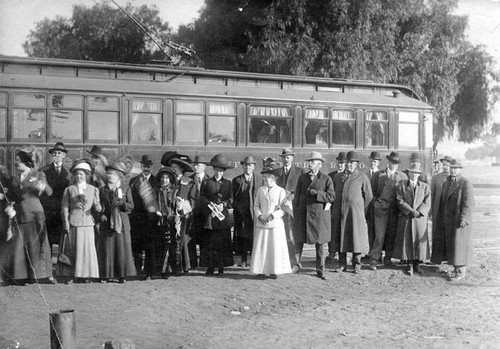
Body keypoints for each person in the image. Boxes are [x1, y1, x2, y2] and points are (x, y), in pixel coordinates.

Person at [6, 148, 56, 284]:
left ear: (26, 162)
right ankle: (20, 276)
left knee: (37, 245)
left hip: (35, 215)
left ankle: (40, 275)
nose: (16, 163)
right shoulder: (14, 178)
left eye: (18, 161)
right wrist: (10, 207)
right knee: (19, 245)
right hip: (20, 214)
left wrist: (43, 186)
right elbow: (10, 196)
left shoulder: (39, 175)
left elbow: (49, 192)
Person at [293, 151, 335, 280]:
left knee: (320, 243)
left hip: (318, 216)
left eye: (312, 161)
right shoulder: (303, 177)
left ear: (319, 164)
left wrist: (316, 193)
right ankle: (296, 265)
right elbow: (297, 196)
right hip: (303, 215)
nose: (310, 164)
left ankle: (320, 269)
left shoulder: (326, 178)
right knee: (299, 240)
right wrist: (296, 210)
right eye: (309, 162)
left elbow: (331, 196)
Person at [431, 159, 474, 281]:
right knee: (453, 246)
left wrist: (464, 218)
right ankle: (455, 270)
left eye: (456, 168)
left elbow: (469, 203)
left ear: (460, 169)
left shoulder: (465, 183)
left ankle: (460, 272)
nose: (453, 170)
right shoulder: (447, 182)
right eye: (451, 168)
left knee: (459, 245)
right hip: (448, 220)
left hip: (459, 220)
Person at [331, 151, 373, 274]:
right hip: (339, 213)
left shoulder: (362, 177)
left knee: (356, 239)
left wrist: (360, 209)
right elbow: (332, 194)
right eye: (347, 162)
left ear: (356, 164)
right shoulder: (338, 177)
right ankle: (342, 264)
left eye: (352, 163)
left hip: (355, 215)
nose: (349, 165)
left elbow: (369, 196)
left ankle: (356, 264)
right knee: (340, 238)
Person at [60, 159, 102, 283]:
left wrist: (99, 208)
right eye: (77, 174)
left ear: (86, 176)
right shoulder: (69, 189)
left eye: (82, 174)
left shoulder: (93, 189)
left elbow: (97, 205)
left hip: (88, 223)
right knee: (73, 249)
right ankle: (72, 275)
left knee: (86, 250)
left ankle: (86, 275)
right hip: (74, 222)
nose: (79, 176)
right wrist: (66, 223)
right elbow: (64, 207)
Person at [250, 163, 291, 279]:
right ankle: (261, 270)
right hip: (262, 224)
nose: (264, 179)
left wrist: (273, 216)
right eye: (263, 177)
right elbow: (256, 205)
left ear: (273, 178)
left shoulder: (281, 191)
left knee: (274, 248)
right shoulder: (260, 190)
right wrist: (259, 216)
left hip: (275, 225)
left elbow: (284, 209)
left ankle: (274, 270)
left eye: (266, 177)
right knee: (262, 248)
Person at [368, 151, 408, 270]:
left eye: (396, 163)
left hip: (395, 211)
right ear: (388, 162)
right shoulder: (378, 175)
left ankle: (387, 260)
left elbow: (405, 194)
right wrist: (376, 203)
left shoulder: (403, 176)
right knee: (379, 236)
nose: (393, 164)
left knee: (391, 235)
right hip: (380, 210)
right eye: (392, 162)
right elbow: (372, 192)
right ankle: (374, 260)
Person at [97, 162, 136, 283]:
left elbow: (131, 206)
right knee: (107, 249)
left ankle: (121, 276)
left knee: (122, 249)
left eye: (112, 173)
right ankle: (106, 275)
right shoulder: (103, 190)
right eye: (108, 173)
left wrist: (122, 204)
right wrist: (101, 215)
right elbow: (100, 206)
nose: (109, 176)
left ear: (119, 175)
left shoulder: (125, 188)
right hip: (108, 223)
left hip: (122, 224)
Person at [393, 164, 431, 276]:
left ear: (419, 175)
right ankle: (409, 264)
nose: (414, 175)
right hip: (407, 217)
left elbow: (427, 201)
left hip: (419, 218)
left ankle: (417, 264)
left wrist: (419, 212)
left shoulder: (425, 187)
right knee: (407, 239)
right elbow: (400, 200)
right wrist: (410, 211)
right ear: (408, 173)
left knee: (418, 240)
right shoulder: (402, 186)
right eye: (412, 173)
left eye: (417, 173)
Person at [199, 154, 234, 276]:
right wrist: (210, 204)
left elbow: (230, 198)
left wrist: (223, 204)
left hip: (222, 216)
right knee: (210, 241)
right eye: (217, 170)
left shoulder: (228, 183)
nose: (219, 172)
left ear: (224, 171)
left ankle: (221, 267)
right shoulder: (207, 182)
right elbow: (202, 197)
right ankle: (210, 267)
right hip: (211, 216)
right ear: (213, 170)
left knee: (222, 242)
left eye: (221, 170)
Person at [39, 142, 71, 251]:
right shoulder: (44, 170)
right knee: (47, 238)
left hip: (62, 209)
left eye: (59, 153)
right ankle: (48, 263)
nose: (56, 155)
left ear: (64, 155)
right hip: (48, 210)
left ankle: (58, 263)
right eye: (54, 153)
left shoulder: (69, 172)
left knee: (61, 238)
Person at [276, 148, 304, 268]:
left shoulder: (300, 172)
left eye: (288, 157)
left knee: (293, 236)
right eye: (284, 157)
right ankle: (284, 262)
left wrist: (292, 196)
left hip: (294, 210)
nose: (286, 160)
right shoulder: (277, 173)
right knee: (281, 235)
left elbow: (303, 191)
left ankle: (296, 263)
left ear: (292, 158)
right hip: (279, 209)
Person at [167, 154, 196, 274]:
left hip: (183, 215)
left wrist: (183, 204)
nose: (173, 170)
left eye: (175, 167)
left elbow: (194, 200)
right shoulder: (169, 181)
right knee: (170, 238)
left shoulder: (189, 182)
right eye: (172, 167)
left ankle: (183, 266)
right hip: (170, 214)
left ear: (181, 169)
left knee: (182, 238)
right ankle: (169, 266)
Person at [129, 154, 156, 275]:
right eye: (144, 166)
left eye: (149, 166)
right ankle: (138, 268)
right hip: (137, 218)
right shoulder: (134, 181)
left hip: (151, 219)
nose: (146, 168)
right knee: (137, 246)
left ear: (152, 167)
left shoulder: (156, 181)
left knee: (149, 245)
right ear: (141, 166)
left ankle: (148, 270)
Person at [232, 156, 260, 267]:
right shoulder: (237, 180)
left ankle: (254, 258)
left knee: (255, 235)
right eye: (245, 165)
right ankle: (243, 259)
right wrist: (238, 208)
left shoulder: (259, 179)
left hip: (255, 212)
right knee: (242, 236)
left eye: (250, 165)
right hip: (241, 213)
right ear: (242, 166)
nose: (247, 167)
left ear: (253, 167)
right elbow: (233, 197)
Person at [152, 166, 178, 279]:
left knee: (170, 245)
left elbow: (177, 207)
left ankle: (168, 269)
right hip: (158, 221)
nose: (165, 180)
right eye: (163, 178)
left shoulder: (174, 192)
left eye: (167, 178)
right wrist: (155, 211)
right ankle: (158, 269)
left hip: (171, 221)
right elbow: (151, 205)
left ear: (170, 179)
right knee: (159, 245)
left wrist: (175, 213)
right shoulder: (155, 191)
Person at [188, 155, 210, 269]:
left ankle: (204, 263)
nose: (196, 167)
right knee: (191, 238)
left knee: (204, 238)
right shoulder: (189, 180)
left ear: (204, 166)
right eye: (194, 164)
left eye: (198, 164)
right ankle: (192, 264)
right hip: (192, 214)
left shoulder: (209, 180)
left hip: (205, 214)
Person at [327, 151, 346, 260]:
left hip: (344, 208)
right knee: (333, 231)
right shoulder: (331, 175)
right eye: (339, 162)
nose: (340, 165)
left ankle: (343, 254)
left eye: (342, 163)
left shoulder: (349, 176)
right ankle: (332, 252)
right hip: (334, 208)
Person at [431, 155, 452, 240]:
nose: (445, 167)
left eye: (447, 165)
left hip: (449, 210)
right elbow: (432, 194)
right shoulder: (436, 177)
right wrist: (431, 210)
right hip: (438, 209)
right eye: (444, 165)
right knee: (437, 231)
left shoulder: (454, 178)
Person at [365, 151, 381, 256]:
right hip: (368, 207)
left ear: (378, 163)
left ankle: (378, 253)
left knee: (378, 230)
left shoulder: (381, 175)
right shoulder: (365, 175)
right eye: (371, 161)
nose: (373, 163)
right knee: (370, 229)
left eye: (375, 162)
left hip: (378, 207)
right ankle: (371, 251)